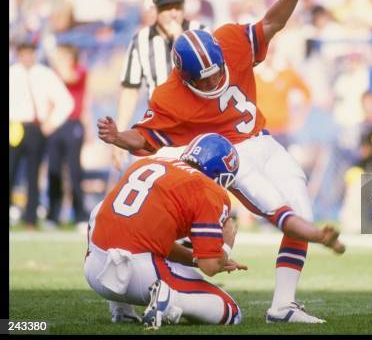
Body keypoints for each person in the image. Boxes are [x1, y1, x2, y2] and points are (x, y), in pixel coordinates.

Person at [98, 0, 344, 323]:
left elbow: (273, 23)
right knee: (285, 213)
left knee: (301, 206)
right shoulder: (170, 94)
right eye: (205, 80)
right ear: (184, 77)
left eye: (217, 73)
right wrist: (119, 137)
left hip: (263, 139)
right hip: (229, 153)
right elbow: (147, 136)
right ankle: (175, 282)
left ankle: (283, 304)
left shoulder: (230, 39)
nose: (215, 82)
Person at [84, 133, 345, 329]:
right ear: (222, 175)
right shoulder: (207, 190)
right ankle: (169, 298)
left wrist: (196, 257)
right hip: (136, 275)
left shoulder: (147, 165)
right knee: (230, 311)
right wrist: (226, 246)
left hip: (95, 269)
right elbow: (210, 266)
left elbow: (157, 242)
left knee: (102, 216)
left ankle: (120, 308)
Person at [112, 0, 206, 169]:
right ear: (155, 9)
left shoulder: (199, 31)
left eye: (177, 7)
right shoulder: (141, 39)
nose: (173, 13)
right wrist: (121, 134)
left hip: (197, 124)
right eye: (167, 8)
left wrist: (181, 40)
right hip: (160, 126)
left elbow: (209, 79)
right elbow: (130, 89)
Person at [9, 40, 74, 229]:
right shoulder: (12, 74)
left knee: (32, 174)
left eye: (30, 53)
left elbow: (65, 102)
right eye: (23, 53)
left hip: (36, 129)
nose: (27, 57)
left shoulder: (45, 75)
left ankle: (30, 219)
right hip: (15, 127)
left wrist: (51, 123)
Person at [44, 43, 89, 230]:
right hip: (56, 124)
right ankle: (53, 215)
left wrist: (54, 58)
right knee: (53, 169)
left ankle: (79, 215)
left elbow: (69, 78)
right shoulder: (52, 74)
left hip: (72, 124)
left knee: (74, 170)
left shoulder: (80, 71)